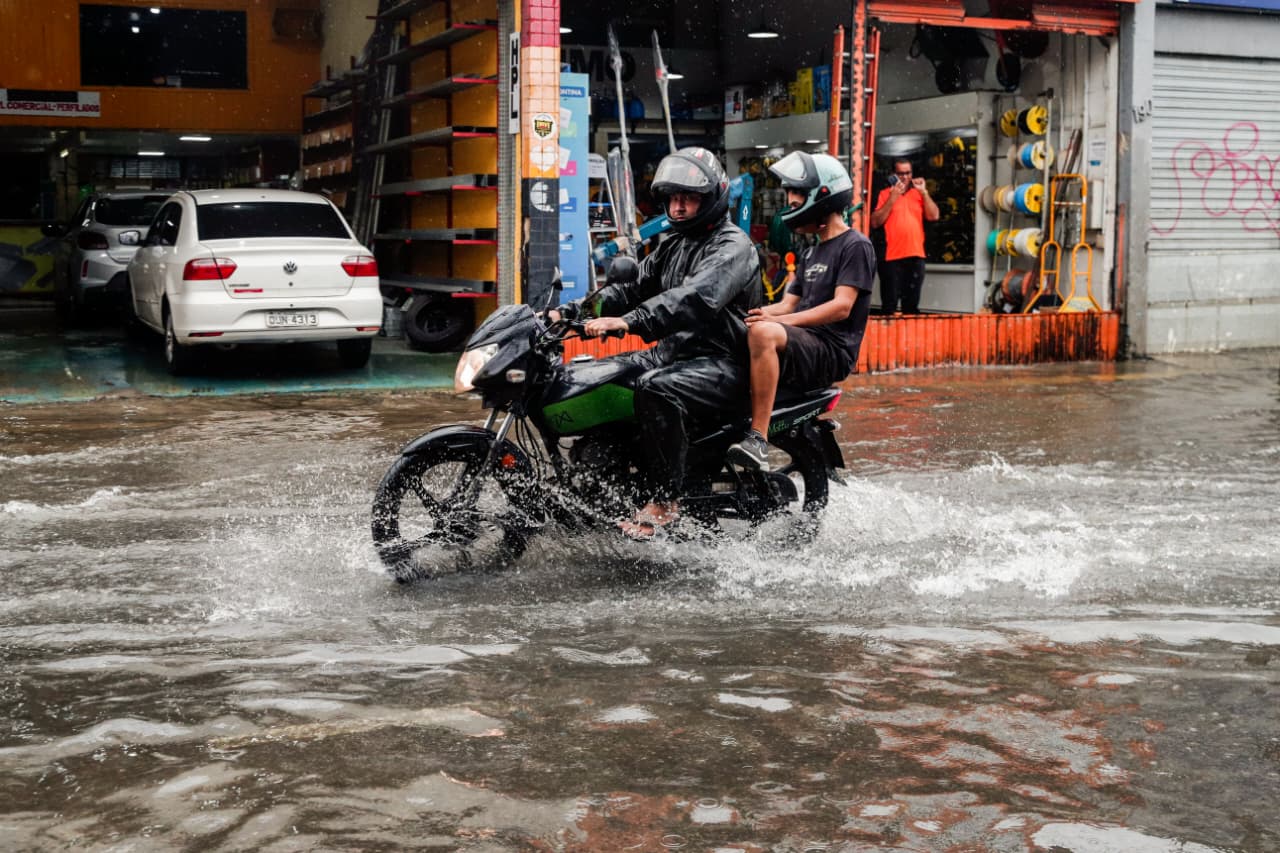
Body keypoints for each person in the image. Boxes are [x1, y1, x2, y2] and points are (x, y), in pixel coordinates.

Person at [549, 147, 761, 540]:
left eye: (688, 199)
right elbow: (630, 287)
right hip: (675, 353)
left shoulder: (733, 247)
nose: (678, 208)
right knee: (603, 376)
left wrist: (630, 322)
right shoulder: (674, 245)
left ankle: (666, 499)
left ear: (712, 198)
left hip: (720, 362)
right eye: (673, 199)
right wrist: (570, 312)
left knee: (655, 388)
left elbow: (694, 299)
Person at [726, 152, 876, 470]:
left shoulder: (855, 246)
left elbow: (841, 307)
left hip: (830, 349)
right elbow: (787, 304)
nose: (790, 204)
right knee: (744, 328)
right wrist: (746, 314)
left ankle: (758, 439)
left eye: (795, 197)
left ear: (822, 195)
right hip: (804, 342)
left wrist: (773, 323)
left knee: (764, 333)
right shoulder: (810, 252)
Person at [869, 157, 939, 314]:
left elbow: (934, 215)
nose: (905, 177)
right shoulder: (884, 194)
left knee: (912, 306)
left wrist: (924, 192)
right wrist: (892, 198)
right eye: (900, 174)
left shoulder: (918, 194)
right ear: (893, 174)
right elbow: (875, 222)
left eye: (908, 173)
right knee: (889, 304)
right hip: (891, 257)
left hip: (915, 255)